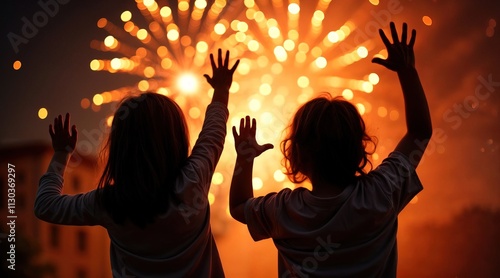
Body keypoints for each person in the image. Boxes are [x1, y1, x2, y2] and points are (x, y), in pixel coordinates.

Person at [229, 22, 432, 277]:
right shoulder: (381, 193)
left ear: (297, 154)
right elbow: (420, 133)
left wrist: (245, 158)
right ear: (359, 150)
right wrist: (407, 71)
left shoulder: (284, 210)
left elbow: (238, 207)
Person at [34, 49, 239, 277]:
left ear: (120, 147)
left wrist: (61, 154)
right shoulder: (193, 180)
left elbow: (45, 206)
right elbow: (214, 131)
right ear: (175, 139)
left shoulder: (108, 203)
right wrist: (221, 90)